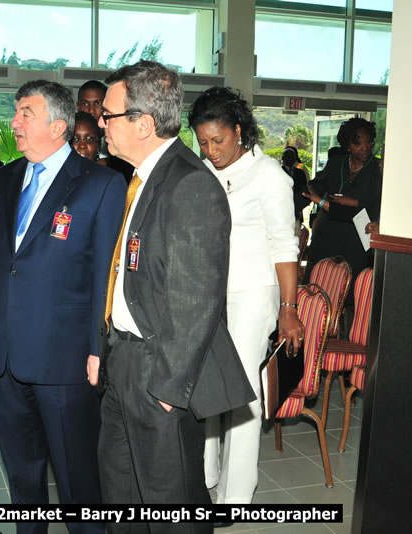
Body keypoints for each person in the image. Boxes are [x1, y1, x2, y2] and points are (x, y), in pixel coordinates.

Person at [90, 61, 254, 533]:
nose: (101, 123)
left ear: (142, 123)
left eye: (108, 115)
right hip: (124, 358)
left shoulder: (189, 183)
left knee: (170, 505)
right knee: (121, 493)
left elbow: (197, 300)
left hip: (158, 370)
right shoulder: (141, 178)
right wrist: (105, 346)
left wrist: (166, 388)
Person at [0, 80, 125, 534]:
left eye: (25, 113)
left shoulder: (101, 184)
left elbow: (104, 275)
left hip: (65, 358)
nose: (14, 122)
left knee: (77, 480)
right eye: (15, 112)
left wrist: (97, 349)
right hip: (7, 356)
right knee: (22, 477)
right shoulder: (3, 179)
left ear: (57, 125)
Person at [188, 86, 305, 506]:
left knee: (240, 393)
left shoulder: (269, 175)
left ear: (239, 130)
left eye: (218, 140)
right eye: (203, 142)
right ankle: (204, 475)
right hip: (211, 294)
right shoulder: (206, 170)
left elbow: (285, 245)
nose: (211, 150)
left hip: (253, 294)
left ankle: (234, 495)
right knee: (208, 383)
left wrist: (288, 310)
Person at [302, 117, 382, 283]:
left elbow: (372, 205)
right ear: (347, 145)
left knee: (350, 287)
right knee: (320, 285)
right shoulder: (336, 163)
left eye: (369, 142)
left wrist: (353, 203)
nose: (365, 148)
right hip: (328, 236)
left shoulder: (377, 169)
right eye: (358, 143)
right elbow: (314, 188)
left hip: (356, 239)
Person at [281, 146, 310, 223]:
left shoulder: (300, 173)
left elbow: (305, 188)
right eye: (288, 157)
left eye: (292, 157)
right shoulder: (279, 172)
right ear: (283, 158)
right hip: (283, 208)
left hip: (298, 208)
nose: (290, 159)